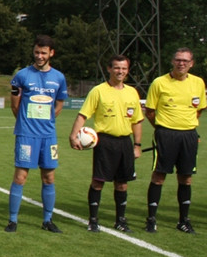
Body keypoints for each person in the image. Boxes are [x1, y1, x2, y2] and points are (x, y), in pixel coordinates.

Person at [68, 55, 143, 232]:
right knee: (98, 182)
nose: (120, 71)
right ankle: (93, 220)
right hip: (105, 142)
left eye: (124, 68)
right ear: (109, 69)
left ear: (128, 70)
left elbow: (137, 121)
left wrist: (137, 145)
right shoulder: (98, 91)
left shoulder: (132, 92)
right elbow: (83, 115)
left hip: (125, 141)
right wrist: (73, 135)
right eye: (117, 68)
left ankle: (120, 221)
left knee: (122, 183)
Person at [4, 36, 69, 233]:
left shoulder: (59, 77)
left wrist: (47, 119)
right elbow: (15, 105)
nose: (39, 56)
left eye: (43, 53)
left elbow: (59, 104)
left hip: (49, 136)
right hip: (26, 135)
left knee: (49, 177)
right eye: (37, 52)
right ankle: (13, 220)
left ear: (51, 53)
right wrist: (27, 123)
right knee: (21, 176)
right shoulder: (21, 75)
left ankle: (47, 220)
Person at [144, 48, 205, 234]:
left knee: (186, 178)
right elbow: (150, 111)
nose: (181, 63)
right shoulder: (159, 82)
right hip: (166, 134)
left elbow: (199, 109)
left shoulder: (198, 83)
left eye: (185, 61)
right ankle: (151, 219)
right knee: (159, 175)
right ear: (172, 61)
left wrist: (187, 126)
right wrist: (163, 129)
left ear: (191, 63)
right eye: (178, 60)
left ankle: (184, 220)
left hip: (188, 135)